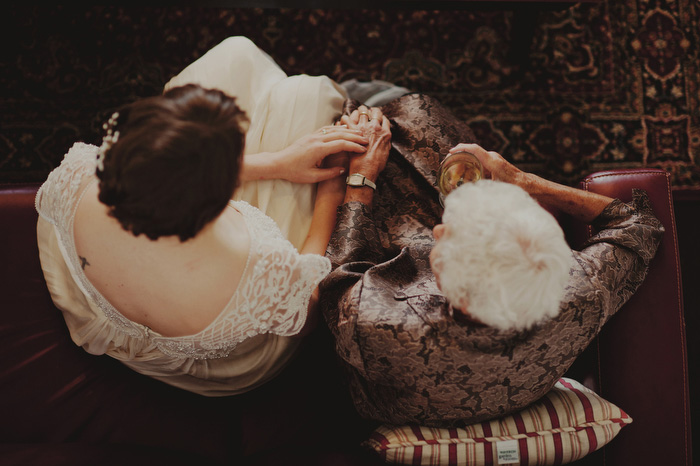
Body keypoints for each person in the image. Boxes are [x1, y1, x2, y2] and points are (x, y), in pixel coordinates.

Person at [319, 104, 665, 426]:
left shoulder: (375, 321)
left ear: (457, 295)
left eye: (446, 237)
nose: (440, 227)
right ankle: (379, 103)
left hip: (385, 292)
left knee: (372, 134)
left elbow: (342, 276)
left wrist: (361, 179)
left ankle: (359, 101)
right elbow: (640, 224)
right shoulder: (581, 290)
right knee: (422, 125)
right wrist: (519, 178)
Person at [35, 81, 370, 396]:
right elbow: (307, 312)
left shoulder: (81, 174)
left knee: (236, 55)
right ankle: (356, 92)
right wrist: (334, 189)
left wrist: (275, 163)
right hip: (211, 364)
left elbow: (162, 172)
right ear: (216, 197)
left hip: (97, 295)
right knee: (310, 95)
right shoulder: (252, 261)